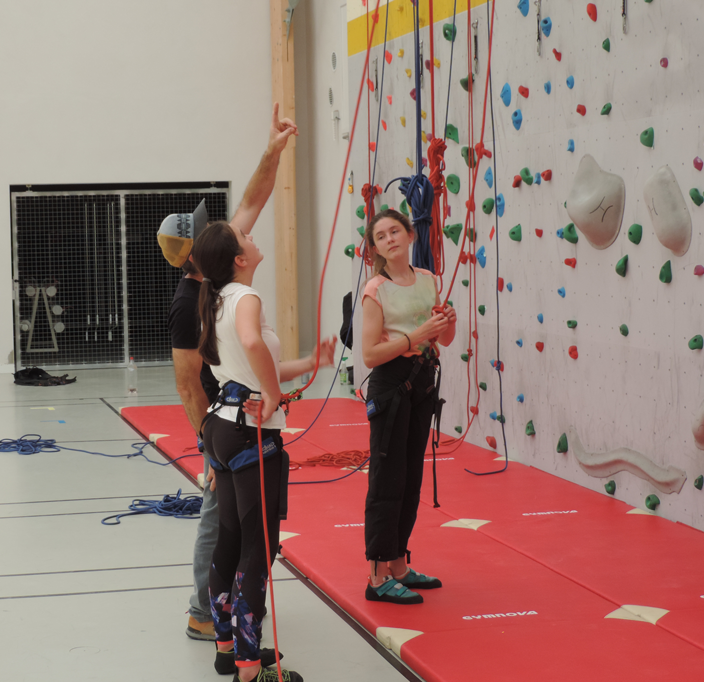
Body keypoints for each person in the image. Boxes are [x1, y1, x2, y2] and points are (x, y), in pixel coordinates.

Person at [158, 103, 299, 642]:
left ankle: (221, 614)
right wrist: (206, 450)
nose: (227, 225)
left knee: (233, 523)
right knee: (220, 518)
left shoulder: (216, 262)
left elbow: (254, 198)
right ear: (205, 252)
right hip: (229, 422)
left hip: (244, 412)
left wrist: (273, 149)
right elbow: (186, 381)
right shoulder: (188, 301)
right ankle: (203, 609)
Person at [194, 220, 337, 682]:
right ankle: (250, 669)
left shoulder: (217, 299)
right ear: (239, 259)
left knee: (232, 539)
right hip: (248, 434)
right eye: (246, 239)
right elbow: (255, 348)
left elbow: (251, 359)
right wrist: (273, 396)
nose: (252, 238)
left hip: (220, 425)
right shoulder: (245, 297)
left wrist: (313, 361)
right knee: (258, 550)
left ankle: (226, 648)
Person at [360, 208, 457, 604]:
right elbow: (369, 354)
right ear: (375, 248)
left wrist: (446, 320)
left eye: (395, 231)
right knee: (387, 479)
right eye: (381, 236)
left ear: (410, 235)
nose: (389, 239)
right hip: (390, 385)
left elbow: (445, 340)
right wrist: (415, 335)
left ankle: (398, 564)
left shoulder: (429, 280)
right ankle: (376, 575)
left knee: (411, 477)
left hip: (421, 382)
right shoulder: (375, 291)